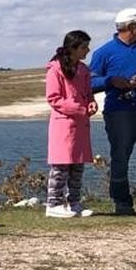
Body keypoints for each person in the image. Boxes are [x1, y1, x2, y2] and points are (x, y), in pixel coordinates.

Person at [88, 7, 136, 215]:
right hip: (119, 113)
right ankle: (122, 203)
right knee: (121, 157)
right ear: (131, 28)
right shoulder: (104, 52)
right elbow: (90, 82)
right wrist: (111, 81)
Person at [44, 30, 97, 219]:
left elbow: (88, 93)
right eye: (84, 47)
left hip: (81, 126)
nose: (87, 50)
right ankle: (53, 204)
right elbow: (54, 98)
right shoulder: (55, 69)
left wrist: (91, 102)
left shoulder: (83, 69)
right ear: (73, 48)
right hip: (63, 125)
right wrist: (79, 108)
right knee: (61, 166)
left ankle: (74, 203)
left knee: (77, 166)